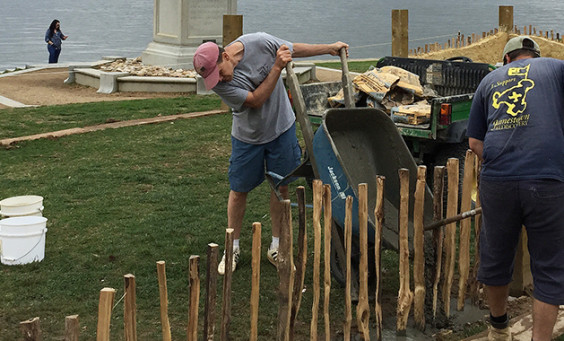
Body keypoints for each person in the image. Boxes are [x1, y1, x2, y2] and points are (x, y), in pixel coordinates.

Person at [193, 32, 348, 275]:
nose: (218, 80)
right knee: (238, 191)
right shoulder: (222, 85)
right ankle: (232, 247)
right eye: (212, 78)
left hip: (281, 129)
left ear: (225, 56)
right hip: (248, 138)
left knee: (282, 187)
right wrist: (277, 66)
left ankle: (277, 247)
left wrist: (328, 47)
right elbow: (255, 100)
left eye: (219, 72)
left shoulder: (259, 42)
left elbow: (291, 47)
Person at [467, 36, 564, 341]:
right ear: (535, 56)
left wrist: (501, 162)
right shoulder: (555, 69)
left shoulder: (489, 80)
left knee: (496, 255)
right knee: (549, 265)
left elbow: (474, 142)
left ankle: (498, 329)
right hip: (548, 180)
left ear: (506, 59)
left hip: (498, 181)